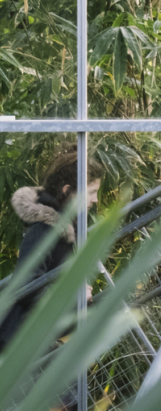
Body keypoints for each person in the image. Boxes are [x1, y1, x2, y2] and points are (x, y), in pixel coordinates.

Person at [0, 146, 102, 352]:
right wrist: (74, 298)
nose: (96, 200)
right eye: (91, 192)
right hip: (21, 346)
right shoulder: (44, 229)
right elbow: (26, 286)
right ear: (67, 191)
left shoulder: (65, 228)